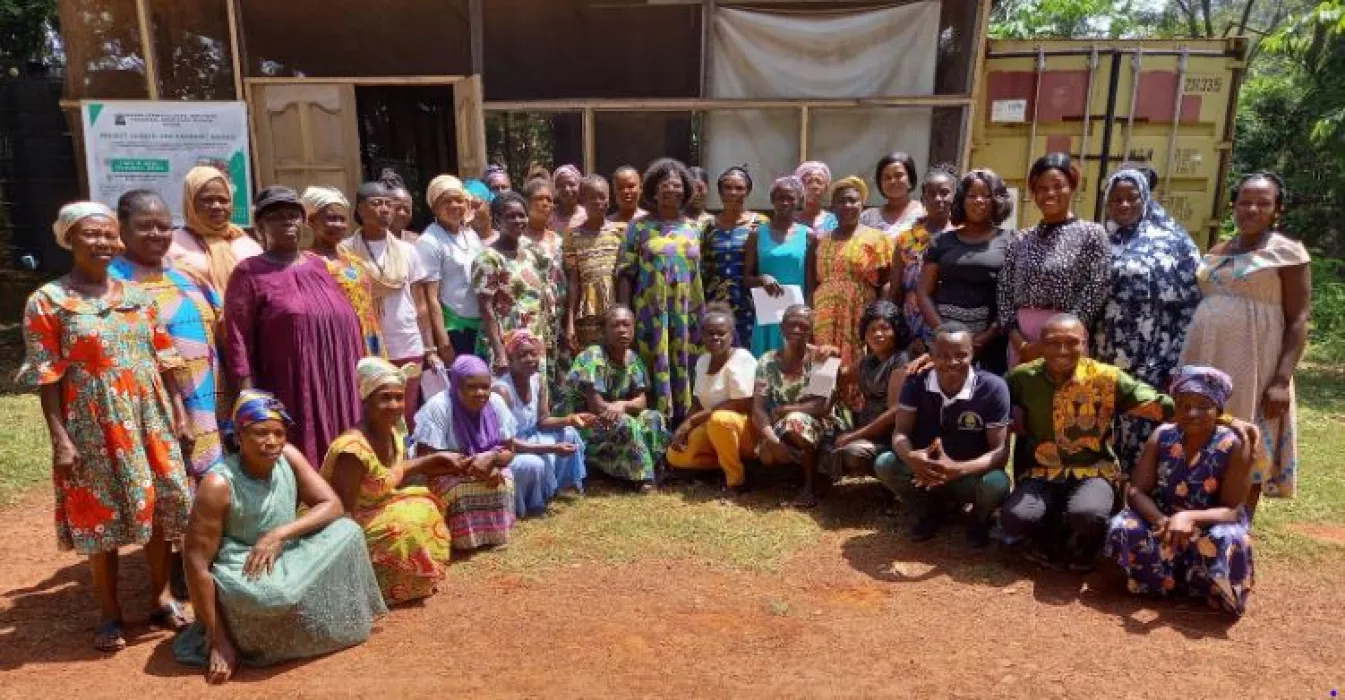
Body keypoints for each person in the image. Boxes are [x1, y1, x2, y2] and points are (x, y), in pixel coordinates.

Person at [21, 202, 194, 651]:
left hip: (150, 419)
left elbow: (164, 353)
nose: (102, 242)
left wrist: (178, 409)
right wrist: (61, 439)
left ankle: (160, 598)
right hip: (93, 425)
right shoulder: (49, 301)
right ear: (69, 240)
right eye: (90, 234)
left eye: (108, 234)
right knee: (103, 517)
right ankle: (110, 613)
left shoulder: (137, 295)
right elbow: (47, 376)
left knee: (160, 509)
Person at [175, 391, 386, 683]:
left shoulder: (288, 457)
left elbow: (332, 505)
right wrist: (218, 641)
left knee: (348, 532)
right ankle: (237, 632)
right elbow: (196, 562)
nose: (271, 442)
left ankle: (304, 618)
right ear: (239, 435)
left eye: (279, 433)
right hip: (241, 567)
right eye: (260, 433)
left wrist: (280, 533)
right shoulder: (218, 484)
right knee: (275, 596)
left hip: (281, 549)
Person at [1180, 172, 1310, 514]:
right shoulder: (1219, 249)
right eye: (1244, 202)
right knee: (1201, 434)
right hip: (1207, 355)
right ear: (1233, 206)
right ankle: (1199, 519)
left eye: (1263, 203)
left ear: (1277, 209)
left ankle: (1235, 529)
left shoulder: (1287, 253)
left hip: (1255, 361)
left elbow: (1298, 320)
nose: (1252, 209)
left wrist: (1281, 380)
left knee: (1246, 439)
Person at [1000, 314, 1174, 569]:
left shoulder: (1106, 378)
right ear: (1041, 344)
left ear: (1084, 342)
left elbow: (1160, 405)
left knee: (1087, 515)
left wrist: (1223, 419)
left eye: (1071, 342)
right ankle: (1048, 538)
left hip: (1093, 470)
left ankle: (1086, 545)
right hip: (1042, 471)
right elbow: (986, 395)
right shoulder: (1023, 377)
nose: (1062, 351)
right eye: (1052, 343)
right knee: (1016, 517)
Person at [223, 186, 364, 465]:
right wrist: (248, 395)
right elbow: (238, 338)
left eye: (293, 215)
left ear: (303, 222)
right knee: (306, 449)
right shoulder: (250, 272)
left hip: (339, 379)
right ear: (261, 225)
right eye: (276, 216)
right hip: (293, 384)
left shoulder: (318, 265)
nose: (287, 221)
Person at [1104, 366, 1256, 617]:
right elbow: (1135, 491)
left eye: (1203, 405)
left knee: (1230, 538)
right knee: (1124, 526)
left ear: (1218, 409)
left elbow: (1233, 510)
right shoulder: (1162, 435)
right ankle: (1152, 585)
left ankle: (1217, 592)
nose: (1192, 413)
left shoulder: (1234, 445)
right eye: (1184, 404)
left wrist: (1190, 518)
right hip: (1163, 526)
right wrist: (1163, 520)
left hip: (1207, 529)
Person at [110, 189, 223, 479]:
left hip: (207, 398)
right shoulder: (112, 281)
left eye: (163, 226)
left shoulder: (186, 275)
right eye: (144, 225)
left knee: (209, 487)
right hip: (153, 403)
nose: (156, 233)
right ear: (121, 228)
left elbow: (220, 326)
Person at [1092, 168, 1201, 470]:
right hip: (1106, 352)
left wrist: (1177, 355)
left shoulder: (1174, 240)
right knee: (1103, 422)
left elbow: (1191, 301)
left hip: (1153, 354)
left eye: (1132, 198)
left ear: (1146, 198)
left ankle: (1140, 498)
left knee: (1145, 420)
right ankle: (1105, 495)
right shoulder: (1101, 237)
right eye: (1116, 200)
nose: (1124, 205)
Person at [321, 358, 452, 605]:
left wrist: (436, 459)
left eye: (399, 397)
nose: (393, 405)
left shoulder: (393, 432)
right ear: (366, 401)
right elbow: (342, 514)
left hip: (375, 507)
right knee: (403, 527)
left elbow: (394, 472)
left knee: (426, 506)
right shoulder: (352, 450)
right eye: (384, 398)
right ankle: (378, 588)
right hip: (342, 521)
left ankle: (412, 579)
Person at [873, 322, 1011, 545]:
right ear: (931, 355)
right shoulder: (916, 380)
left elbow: (1000, 452)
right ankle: (929, 513)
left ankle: (979, 519)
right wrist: (911, 457)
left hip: (967, 476)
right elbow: (900, 433)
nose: (952, 363)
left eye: (961, 355)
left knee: (997, 483)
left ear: (972, 354)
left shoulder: (993, 387)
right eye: (943, 355)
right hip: (924, 472)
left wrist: (958, 469)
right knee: (885, 463)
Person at [997, 153, 1111, 368]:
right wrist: (1020, 344)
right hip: (1021, 341)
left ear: (1072, 187)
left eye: (1058, 186)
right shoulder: (1020, 239)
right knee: (1023, 399)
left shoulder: (1092, 234)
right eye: (1041, 188)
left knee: (1065, 399)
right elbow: (1004, 293)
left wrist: (1049, 341)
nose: (1050, 193)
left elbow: (1095, 290)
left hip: (1066, 340)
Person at [617, 157, 705, 425]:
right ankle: (655, 429)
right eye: (665, 185)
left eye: (677, 185)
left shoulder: (696, 227)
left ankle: (683, 427)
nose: (671, 190)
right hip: (651, 313)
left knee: (687, 364)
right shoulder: (639, 227)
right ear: (654, 190)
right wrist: (625, 312)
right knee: (652, 364)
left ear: (686, 191)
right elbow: (625, 272)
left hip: (687, 313)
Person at [341, 183, 436, 429]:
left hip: (406, 341)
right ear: (360, 210)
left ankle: (404, 463)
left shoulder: (408, 251)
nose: (384, 209)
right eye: (376, 203)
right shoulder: (345, 252)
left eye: (388, 204)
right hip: (366, 342)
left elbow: (420, 302)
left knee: (406, 409)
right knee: (372, 410)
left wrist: (429, 346)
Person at [554, 306, 669, 491]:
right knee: (625, 423)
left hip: (610, 415)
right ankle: (643, 477)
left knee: (653, 418)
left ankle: (652, 469)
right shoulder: (594, 356)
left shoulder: (633, 358)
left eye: (626, 325)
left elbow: (642, 399)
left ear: (633, 329)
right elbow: (596, 405)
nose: (622, 330)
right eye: (615, 325)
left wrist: (622, 404)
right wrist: (620, 410)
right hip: (581, 422)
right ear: (604, 331)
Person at [411, 355, 519, 549]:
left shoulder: (496, 403)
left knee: (505, 478)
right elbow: (424, 462)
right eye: (471, 387)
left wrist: (491, 457)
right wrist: (473, 466)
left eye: (485, 386)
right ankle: (459, 541)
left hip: (481, 463)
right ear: (457, 387)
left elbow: (509, 451)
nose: (481, 393)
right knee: (457, 488)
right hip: (441, 469)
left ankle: (494, 536)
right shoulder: (439, 407)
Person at [916, 168, 1014, 375]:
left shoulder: (1011, 241)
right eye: (972, 195)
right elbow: (924, 293)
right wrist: (944, 333)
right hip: (943, 341)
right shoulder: (942, 242)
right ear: (961, 200)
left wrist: (987, 336)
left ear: (997, 200)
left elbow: (1012, 297)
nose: (979, 201)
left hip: (990, 343)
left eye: (987, 195)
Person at [492, 329, 591, 513]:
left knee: (569, 433)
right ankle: (532, 501)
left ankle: (555, 488)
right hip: (511, 447)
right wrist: (551, 448)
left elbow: (542, 421)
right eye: (523, 355)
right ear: (511, 361)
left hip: (532, 437)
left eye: (534, 354)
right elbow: (506, 441)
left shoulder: (537, 379)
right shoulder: (502, 391)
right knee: (534, 461)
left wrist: (570, 419)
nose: (530, 359)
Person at [666, 306, 759, 494]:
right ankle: (722, 466)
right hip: (710, 426)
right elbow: (697, 403)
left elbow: (745, 402)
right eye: (710, 333)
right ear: (702, 335)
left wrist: (693, 421)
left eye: (721, 333)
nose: (715, 338)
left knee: (721, 419)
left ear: (731, 335)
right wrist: (684, 428)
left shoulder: (742, 358)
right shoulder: (702, 361)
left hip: (744, 429)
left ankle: (736, 480)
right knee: (675, 456)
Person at [809, 176, 894, 368]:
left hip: (859, 310)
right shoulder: (822, 240)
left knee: (857, 365)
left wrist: (879, 317)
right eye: (841, 201)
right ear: (832, 207)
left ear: (862, 204)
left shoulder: (877, 239)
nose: (847, 205)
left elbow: (886, 282)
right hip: (824, 314)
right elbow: (815, 282)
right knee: (824, 366)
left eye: (853, 201)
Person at [754, 305, 833, 508]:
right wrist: (772, 440)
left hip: (822, 423)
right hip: (784, 424)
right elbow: (759, 407)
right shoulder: (766, 361)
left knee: (794, 421)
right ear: (781, 327)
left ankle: (810, 486)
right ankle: (797, 476)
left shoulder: (822, 360)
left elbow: (821, 406)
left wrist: (784, 410)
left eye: (804, 326)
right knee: (766, 454)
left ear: (811, 330)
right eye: (792, 325)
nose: (797, 330)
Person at [826, 300, 909, 481]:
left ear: (896, 330)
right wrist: (830, 356)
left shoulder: (901, 360)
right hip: (867, 431)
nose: (877, 334)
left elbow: (895, 411)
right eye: (871, 329)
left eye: (884, 328)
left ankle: (891, 482)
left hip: (891, 437)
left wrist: (854, 436)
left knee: (851, 452)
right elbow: (840, 378)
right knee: (827, 442)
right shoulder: (867, 362)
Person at [473, 192, 554, 377]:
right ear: (497, 221)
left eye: (521, 215)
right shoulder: (488, 258)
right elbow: (486, 308)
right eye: (510, 216)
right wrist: (500, 352)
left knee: (535, 397)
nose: (518, 220)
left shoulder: (534, 253)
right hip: (505, 341)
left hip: (534, 340)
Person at [304, 184, 384, 358]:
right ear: (310, 221)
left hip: (369, 339)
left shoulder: (353, 260)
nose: (338, 225)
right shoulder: (306, 263)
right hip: (336, 343)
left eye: (342, 219)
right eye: (331, 219)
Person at [418, 174, 486, 365]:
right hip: (455, 329)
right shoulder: (429, 241)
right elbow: (430, 298)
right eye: (447, 201)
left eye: (459, 200)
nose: (455, 206)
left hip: (479, 326)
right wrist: (443, 343)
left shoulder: (470, 234)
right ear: (434, 207)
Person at [893, 165, 958, 352]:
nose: (939, 199)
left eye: (945, 193)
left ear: (954, 196)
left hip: (949, 321)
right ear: (923, 199)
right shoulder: (907, 239)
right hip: (912, 324)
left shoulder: (961, 236)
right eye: (932, 194)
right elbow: (896, 290)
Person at [169, 165, 262, 295]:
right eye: (207, 200)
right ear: (190, 202)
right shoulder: (170, 244)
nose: (217, 206)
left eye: (223, 200)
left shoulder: (247, 244)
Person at [702, 165, 767, 349]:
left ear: (747, 192)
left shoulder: (760, 224)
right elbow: (703, 267)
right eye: (728, 188)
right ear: (720, 193)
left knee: (747, 355)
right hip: (717, 304)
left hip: (750, 303)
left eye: (739, 188)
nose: (733, 192)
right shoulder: (708, 227)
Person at [746, 176, 811, 357]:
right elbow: (747, 278)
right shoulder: (757, 235)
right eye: (780, 198)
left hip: (796, 314)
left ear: (798, 201)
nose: (785, 202)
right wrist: (762, 279)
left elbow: (811, 282)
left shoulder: (808, 236)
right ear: (772, 200)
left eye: (790, 198)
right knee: (765, 364)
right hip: (767, 312)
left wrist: (809, 314)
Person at [564, 174, 625, 350]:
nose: (599, 202)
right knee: (591, 361)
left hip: (615, 307)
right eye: (592, 198)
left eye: (603, 197)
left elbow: (624, 277)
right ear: (582, 200)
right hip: (587, 311)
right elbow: (574, 281)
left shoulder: (620, 231)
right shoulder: (573, 235)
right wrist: (570, 322)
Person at [521, 177, 569, 388]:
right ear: (527, 203)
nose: (546, 204)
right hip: (529, 317)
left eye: (549, 200)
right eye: (539, 199)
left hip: (556, 315)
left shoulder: (559, 240)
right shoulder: (517, 240)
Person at [860, 152, 925, 237]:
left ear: (910, 180)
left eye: (898, 175)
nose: (892, 181)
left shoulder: (924, 213)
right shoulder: (867, 217)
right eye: (887, 177)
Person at [795, 161, 838, 234]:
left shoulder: (835, 221)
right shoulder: (792, 222)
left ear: (826, 188)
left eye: (819, 182)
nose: (814, 186)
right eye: (808, 182)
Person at [381, 169, 418, 244]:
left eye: (407, 209)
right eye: (397, 208)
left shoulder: (415, 241)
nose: (402, 213)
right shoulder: (371, 241)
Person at [549, 164, 587, 234]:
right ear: (555, 189)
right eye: (561, 185)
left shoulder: (587, 215)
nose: (567, 189)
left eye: (572, 184)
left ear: (580, 186)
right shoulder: (548, 216)